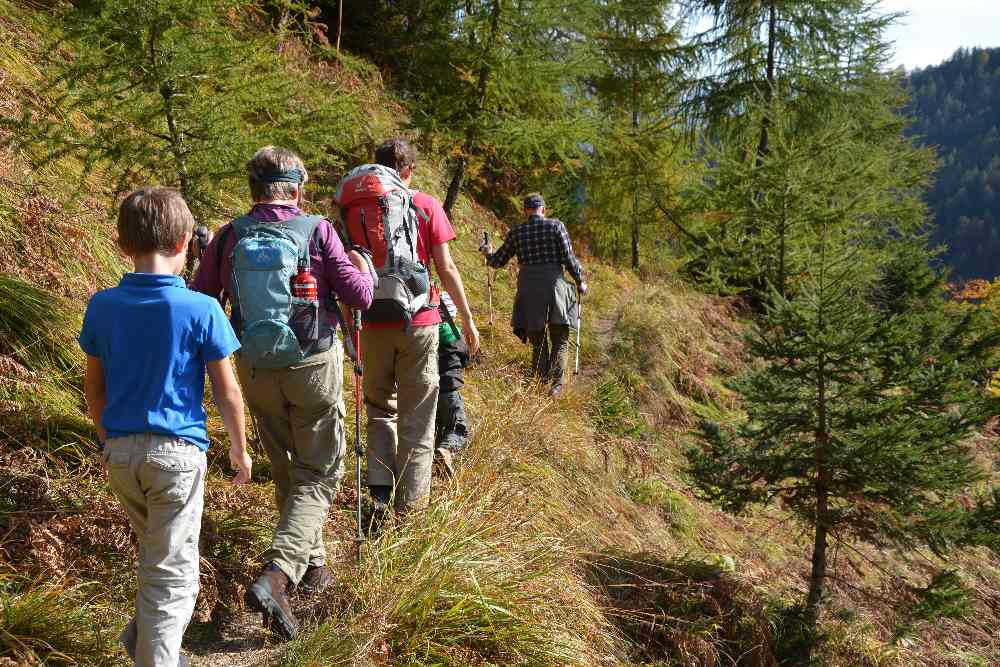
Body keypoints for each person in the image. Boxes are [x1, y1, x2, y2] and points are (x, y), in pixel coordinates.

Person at [192, 147, 373, 640]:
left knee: (289, 471)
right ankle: (278, 574)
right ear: (297, 187)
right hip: (312, 361)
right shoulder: (318, 230)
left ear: (253, 189)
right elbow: (359, 296)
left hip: (253, 365)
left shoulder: (229, 235)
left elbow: (203, 298)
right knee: (319, 473)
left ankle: (312, 571)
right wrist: (362, 266)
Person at [81, 187, 252, 667]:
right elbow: (228, 392)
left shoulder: (103, 305)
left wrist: (106, 438)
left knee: (156, 559)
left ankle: (142, 642)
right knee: (174, 574)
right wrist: (240, 451)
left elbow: (95, 388)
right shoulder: (202, 309)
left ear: (120, 243)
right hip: (177, 456)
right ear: (184, 243)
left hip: (120, 453)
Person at [353, 137, 479, 514]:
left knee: (379, 407)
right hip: (422, 322)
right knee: (419, 417)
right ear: (408, 171)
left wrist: (348, 327)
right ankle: (411, 510)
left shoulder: (358, 207)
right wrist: (468, 319)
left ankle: (378, 493)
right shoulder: (425, 205)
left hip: (372, 320)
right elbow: (447, 267)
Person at [481, 193, 587, 396]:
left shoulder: (517, 232)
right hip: (555, 287)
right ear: (544, 210)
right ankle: (555, 388)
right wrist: (580, 281)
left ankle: (539, 385)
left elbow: (497, 261)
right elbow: (568, 258)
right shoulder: (556, 226)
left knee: (538, 341)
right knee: (560, 338)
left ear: (525, 211)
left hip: (529, 289)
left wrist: (487, 252)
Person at [434, 290, 470, 475]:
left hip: (424, 390)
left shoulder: (425, 333)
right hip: (449, 391)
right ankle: (446, 450)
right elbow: (465, 358)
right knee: (458, 426)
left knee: (431, 427)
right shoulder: (453, 334)